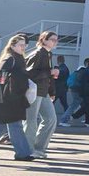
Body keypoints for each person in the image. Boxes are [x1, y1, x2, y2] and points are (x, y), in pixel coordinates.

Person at [0, 34, 36, 162]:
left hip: (15, 97)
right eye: (20, 45)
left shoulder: (18, 58)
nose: (23, 47)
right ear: (12, 45)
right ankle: (22, 153)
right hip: (9, 98)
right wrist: (1, 93)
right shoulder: (10, 58)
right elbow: (0, 77)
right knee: (15, 124)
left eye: (24, 45)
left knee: (1, 125)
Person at [23, 30, 59, 159]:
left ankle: (39, 149)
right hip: (34, 91)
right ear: (43, 40)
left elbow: (49, 76)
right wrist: (50, 72)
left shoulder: (48, 54)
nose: (55, 42)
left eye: (56, 40)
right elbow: (29, 74)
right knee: (31, 121)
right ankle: (28, 149)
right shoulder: (38, 53)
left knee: (50, 119)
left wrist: (51, 92)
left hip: (43, 92)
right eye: (52, 39)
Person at [53, 54, 69, 124]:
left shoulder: (61, 69)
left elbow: (56, 77)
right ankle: (66, 117)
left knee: (51, 103)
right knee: (64, 104)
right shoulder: (65, 68)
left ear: (58, 61)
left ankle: (49, 117)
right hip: (63, 88)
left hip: (58, 88)